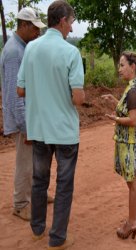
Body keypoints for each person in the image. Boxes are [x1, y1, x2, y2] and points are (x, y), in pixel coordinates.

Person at [16, 0, 85, 249]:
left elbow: (21, 89)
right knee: (64, 185)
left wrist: (42, 90)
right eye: (71, 23)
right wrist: (70, 94)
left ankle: (37, 230)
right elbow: (78, 98)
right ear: (63, 21)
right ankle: (57, 239)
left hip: (40, 129)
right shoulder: (70, 53)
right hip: (65, 132)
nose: (72, 29)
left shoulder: (31, 48)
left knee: (39, 180)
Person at [0, 7, 51, 221]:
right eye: (34, 28)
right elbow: (14, 95)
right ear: (23, 25)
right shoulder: (14, 52)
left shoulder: (22, 48)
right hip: (24, 120)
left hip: (30, 117)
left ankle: (36, 193)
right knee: (24, 162)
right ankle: (20, 204)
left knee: (33, 159)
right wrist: (26, 126)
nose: (37, 33)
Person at [102, 51, 136, 240]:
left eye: (122, 65)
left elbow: (133, 120)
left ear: (132, 67)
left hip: (129, 144)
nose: (119, 69)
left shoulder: (134, 90)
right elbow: (129, 108)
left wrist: (116, 119)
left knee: (131, 183)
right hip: (135, 142)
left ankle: (131, 223)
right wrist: (115, 101)